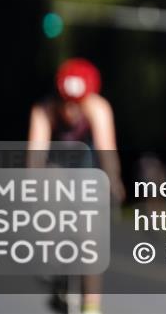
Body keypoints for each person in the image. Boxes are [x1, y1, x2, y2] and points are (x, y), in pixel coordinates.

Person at [28, 58, 124, 314]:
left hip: (86, 166)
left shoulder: (99, 108)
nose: (70, 111)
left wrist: (113, 182)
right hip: (55, 166)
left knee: (90, 237)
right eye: (66, 104)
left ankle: (91, 305)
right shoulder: (44, 109)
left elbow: (107, 152)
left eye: (76, 105)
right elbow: (35, 156)